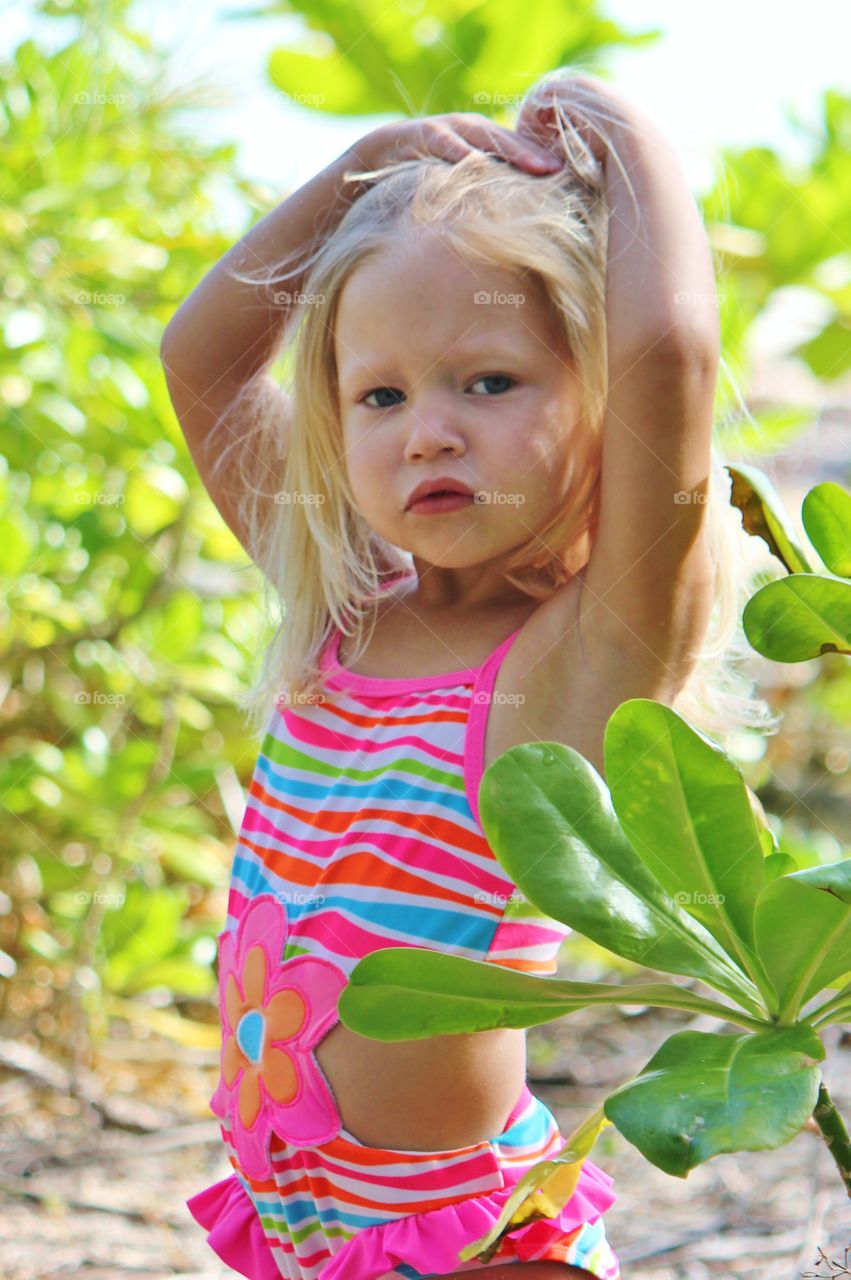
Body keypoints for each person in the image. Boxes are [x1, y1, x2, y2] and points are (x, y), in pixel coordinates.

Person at [161, 65, 750, 1280]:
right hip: (302, 1227)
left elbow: (669, 354)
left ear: (594, 403)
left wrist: (618, 134)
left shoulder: (575, 656)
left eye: (489, 381)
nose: (427, 427)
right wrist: (361, 166)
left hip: (475, 1236)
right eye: (380, 393)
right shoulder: (340, 602)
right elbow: (201, 360)